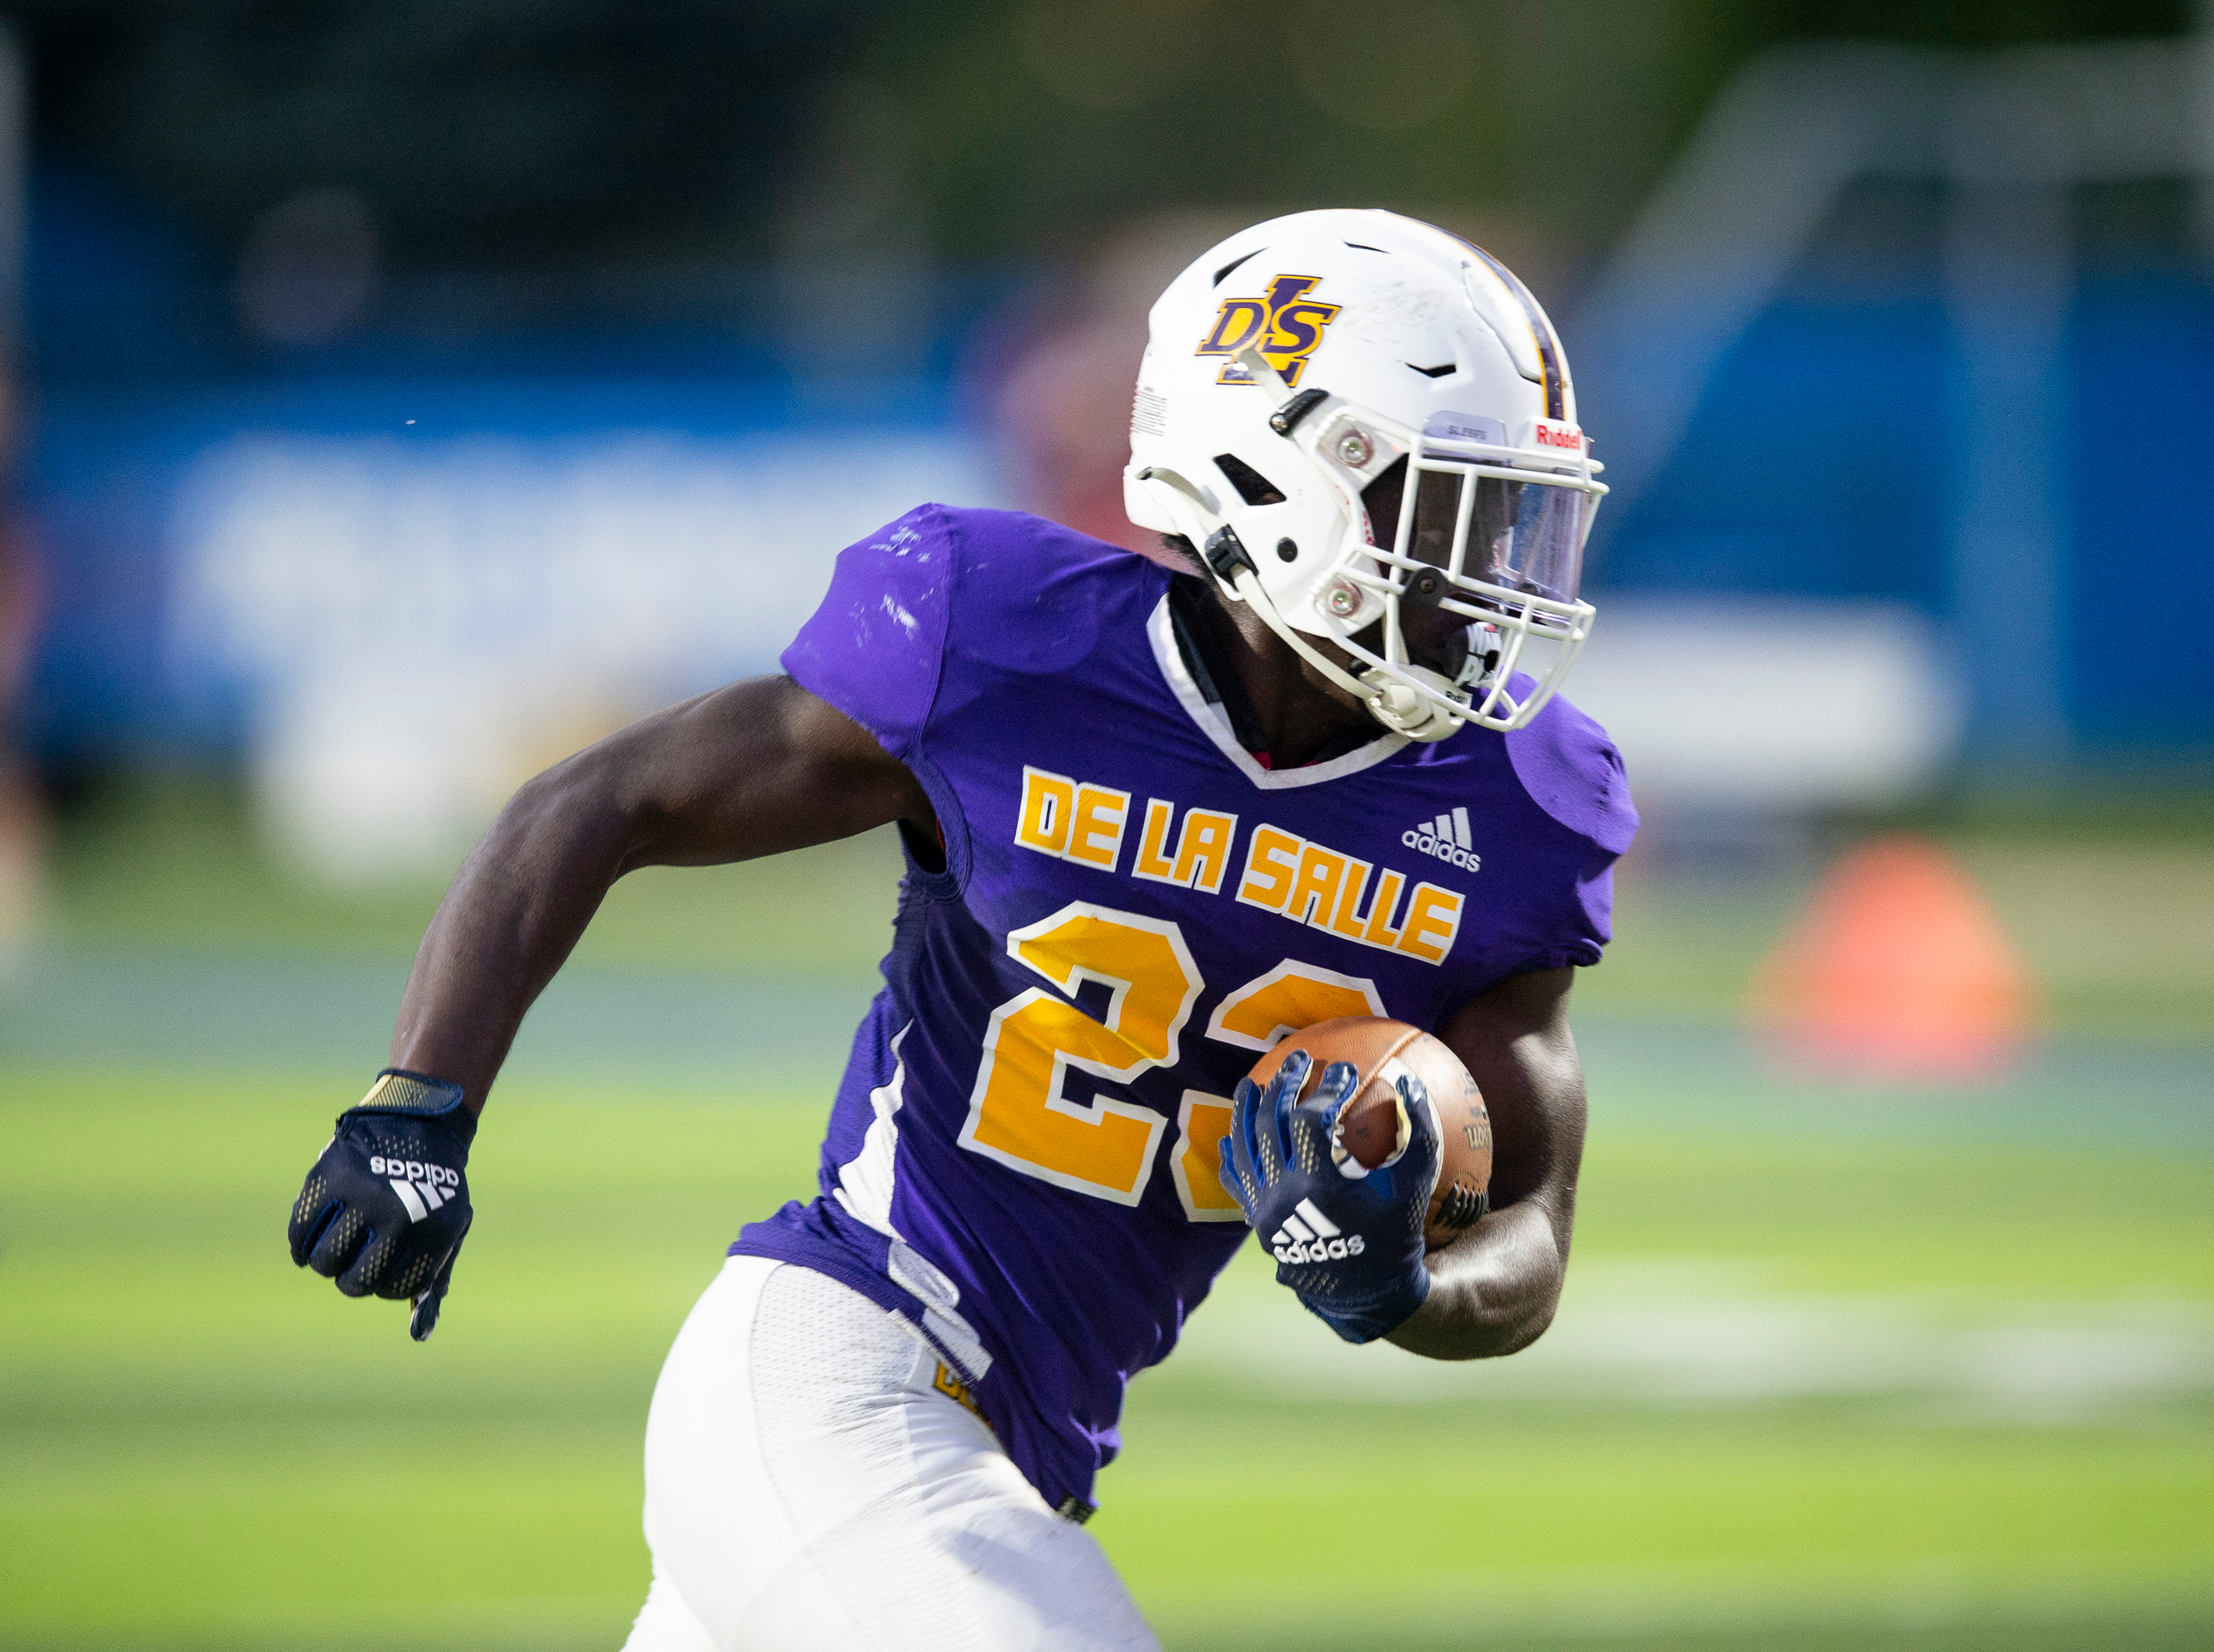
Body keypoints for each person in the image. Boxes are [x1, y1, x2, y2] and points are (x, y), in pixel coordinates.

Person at [286, 209, 1635, 1650]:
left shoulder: (1521, 806)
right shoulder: (1007, 643)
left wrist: (1404, 1280)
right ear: (1292, 484)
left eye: (1515, 524)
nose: (1491, 580)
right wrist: (420, 1103)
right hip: (842, 1356)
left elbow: (1530, 1248)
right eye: (1455, 518)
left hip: (1012, 1450)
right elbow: (605, 797)